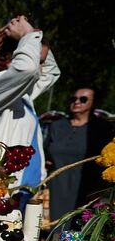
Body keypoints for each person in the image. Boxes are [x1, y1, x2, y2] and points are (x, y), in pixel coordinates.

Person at [0, 15, 60, 208]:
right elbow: (27, 69)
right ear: (11, 58)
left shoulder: (22, 96)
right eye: (37, 60)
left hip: (23, 194)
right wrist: (28, 35)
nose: (41, 69)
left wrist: (33, 35)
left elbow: (52, 72)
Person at [44, 85, 115, 219]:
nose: (76, 102)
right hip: (56, 187)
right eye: (73, 98)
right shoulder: (57, 126)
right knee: (53, 229)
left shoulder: (101, 128)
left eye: (83, 99)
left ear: (93, 103)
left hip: (85, 189)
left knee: (77, 229)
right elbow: (46, 152)